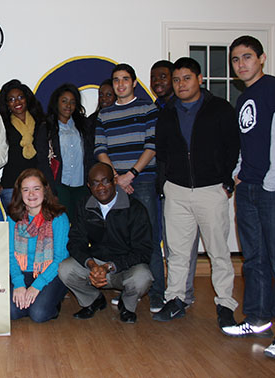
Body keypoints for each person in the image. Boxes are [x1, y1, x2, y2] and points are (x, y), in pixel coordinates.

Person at [221, 36, 275, 360]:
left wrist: (271, 181)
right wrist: (240, 173)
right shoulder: (244, 98)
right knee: (253, 259)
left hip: (274, 189)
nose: (241, 64)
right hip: (249, 188)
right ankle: (257, 318)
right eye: (236, 59)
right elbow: (247, 141)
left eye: (247, 57)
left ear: (262, 58)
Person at [153, 57, 240, 329]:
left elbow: (233, 146)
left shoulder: (220, 109)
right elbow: (162, 152)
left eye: (186, 78)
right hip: (176, 191)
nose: (181, 84)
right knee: (177, 253)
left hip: (211, 190)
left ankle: (225, 304)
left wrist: (226, 180)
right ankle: (176, 299)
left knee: (218, 252)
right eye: (176, 80)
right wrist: (164, 184)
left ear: (199, 79)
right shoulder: (167, 112)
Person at [95, 63, 163, 313]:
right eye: (116, 80)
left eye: (125, 79)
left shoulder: (148, 108)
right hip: (115, 185)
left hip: (142, 182)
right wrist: (115, 177)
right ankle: (128, 291)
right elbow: (100, 149)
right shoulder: (104, 114)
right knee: (120, 240)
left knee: (150, 238)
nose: (120, 84)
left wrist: (131, 174)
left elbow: (152, 145)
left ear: (134, 82)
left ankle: (157, 294)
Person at [58, 163, 153, 324]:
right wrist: (91, 265)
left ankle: (128, 306)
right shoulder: (84, 206)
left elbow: (143, 251)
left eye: (105, 181)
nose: (101, 187)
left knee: (143, 277)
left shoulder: (135, 209)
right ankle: (93, 300)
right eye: (95, 183)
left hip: (124, 267)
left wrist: (109, 266)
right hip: (95, 266)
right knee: (65, 269)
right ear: (89, 186)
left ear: (114, 181)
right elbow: (75, 242)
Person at [151, 59, 199, 308]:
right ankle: (175, 293)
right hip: (166, 185)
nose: (158, 82)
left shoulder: (184, 108)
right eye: (154, 78)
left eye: (163, 77)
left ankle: (184, 295)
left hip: (189, 187)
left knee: (184, 246)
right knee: (172, 244)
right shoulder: (160, 109)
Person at [7, 169, 69, 322]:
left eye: (36, 188)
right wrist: (19, 283)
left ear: (45, 190)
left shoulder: (58, 217)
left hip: (49, 274)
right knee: (11, 312)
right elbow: (9, 254)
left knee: (39, 314)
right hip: (21, 273)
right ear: (20, 193)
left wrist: (37, 286)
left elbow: (60, 258)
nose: (31, 194)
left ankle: (48, 301)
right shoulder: (13, 218)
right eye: (26, 190)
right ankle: (33, 302)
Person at [0, 79, 51, 207]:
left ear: (27, 99)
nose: (17, 102)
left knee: (36, 225)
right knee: (15, 226)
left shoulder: (40, 122)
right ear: (7, 104)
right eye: (12, 99)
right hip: (11, 185)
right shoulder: (3, 125)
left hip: (36, 185)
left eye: (20, 97)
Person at [45, 83, 95, 224]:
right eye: (64, 101)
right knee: (62, 224)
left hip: (82, 185)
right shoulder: (47, 126)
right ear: (57, 102)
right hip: (60, 185)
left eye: (73, 102)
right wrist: (50, 188)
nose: (68, 105)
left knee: (82, 224)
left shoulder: (84, 126)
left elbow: (90, 155)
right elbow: (43, 159)